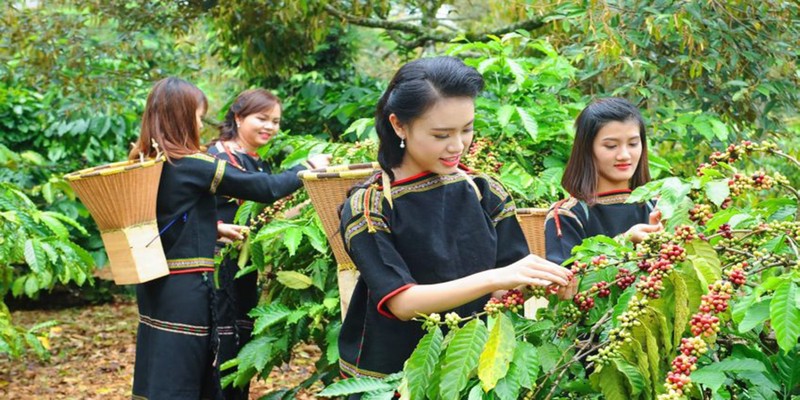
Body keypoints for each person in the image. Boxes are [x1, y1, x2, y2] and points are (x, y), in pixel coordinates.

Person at [337, 56, 573, 379]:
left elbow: (508, 286)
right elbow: (403, 303)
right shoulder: (370, 206)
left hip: (475, 368)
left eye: (467, 129)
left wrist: (542, 283)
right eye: (441, 135)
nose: (458, 145)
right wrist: (497, 277)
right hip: (394, 378)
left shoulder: (484, 190)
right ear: (398, 125)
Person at [127, 77, 327, 399]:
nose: (198, 122)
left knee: (160, 366)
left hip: (155, 285)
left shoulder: (147, 161)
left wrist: (212, 227)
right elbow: (266, 189)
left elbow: (163, 215)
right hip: (186, 288)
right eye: (196, 115)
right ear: (180, 116)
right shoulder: (191, 164)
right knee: (186, 372)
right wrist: (308, 166)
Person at [207, 88, 330, 399]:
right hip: (217, 267)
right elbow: (267, 191)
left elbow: (268, 217)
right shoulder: (217, 159)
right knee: (222, 340)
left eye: (275, 121)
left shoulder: (257, 163)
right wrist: (306, 169)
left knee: (242, 339)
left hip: (246, 266)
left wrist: (312, 203)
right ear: (238, 117)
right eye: (262, 118)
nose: (270, 127)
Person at [545, 97, 663, 266]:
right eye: (611, 146)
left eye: (633, 144)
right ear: (587, 149)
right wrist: (624, 241)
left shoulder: (659, 206)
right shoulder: (568, 214)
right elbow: (564, 282)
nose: (624, 155)